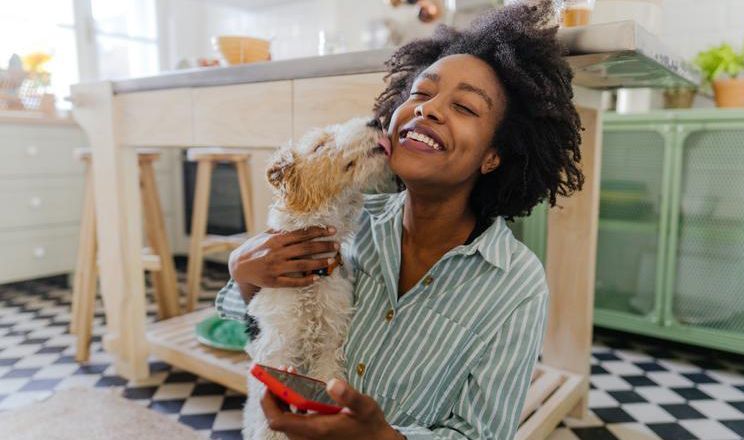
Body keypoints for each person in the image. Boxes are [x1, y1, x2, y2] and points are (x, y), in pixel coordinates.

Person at [215, 2, 584, 438]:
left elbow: (481, 433)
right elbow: (248, 320)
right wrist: (243, 275)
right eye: (420, 93)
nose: (428, 110)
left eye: (465, 107)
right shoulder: (346, 219)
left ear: (493, 156)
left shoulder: (515, 285)